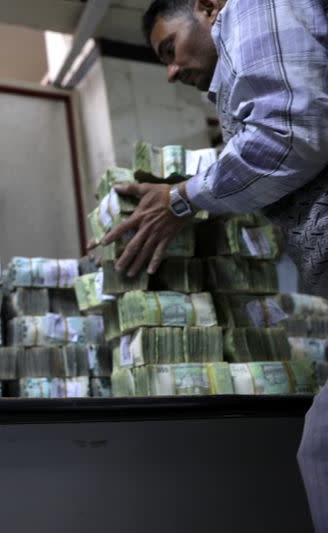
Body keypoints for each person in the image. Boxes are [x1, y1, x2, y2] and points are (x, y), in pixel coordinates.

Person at [103, 1, 328, 529]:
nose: (171, 72)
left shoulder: (252, 7)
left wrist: (182, 199)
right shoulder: (243, 70)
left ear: (207, 8)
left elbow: (290, 134)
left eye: (170, 49)